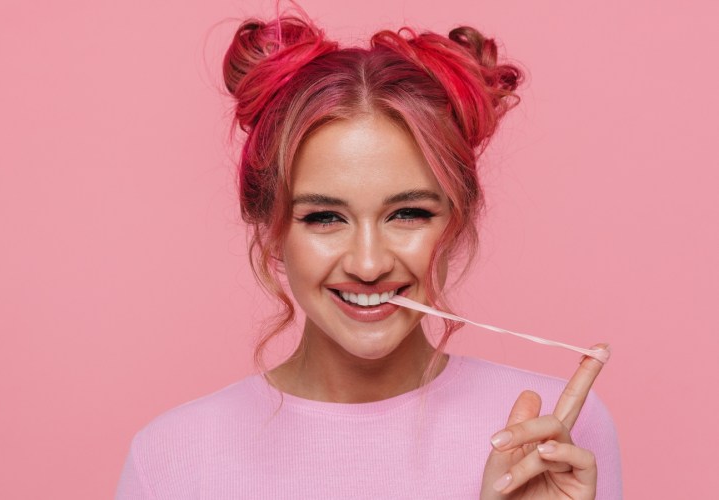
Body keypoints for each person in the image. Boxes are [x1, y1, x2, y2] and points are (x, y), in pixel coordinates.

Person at [116, 11, 622, 499]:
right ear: (270, 230)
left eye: (407, 214)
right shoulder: (171, 456)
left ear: (458, 216)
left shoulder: (555, 432)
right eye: (324, 218)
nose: (368, 263)